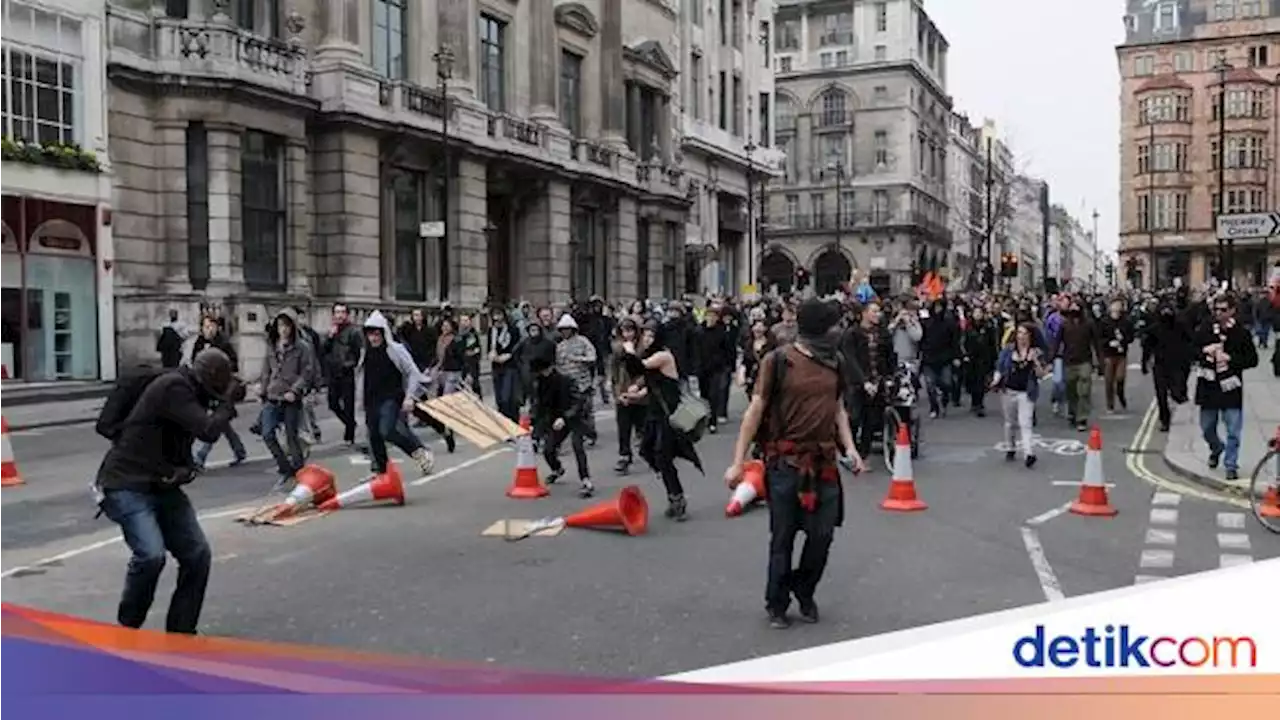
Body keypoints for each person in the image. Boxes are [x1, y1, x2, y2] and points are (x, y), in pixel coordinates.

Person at [725, 299, 864, 629]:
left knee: (823, 535)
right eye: (833, 325)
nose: (838, 330)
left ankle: (804, 589)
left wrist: (851, 447)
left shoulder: (836, 361)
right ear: (818, 328)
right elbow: (755, 411)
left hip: (824, 461)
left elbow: (838, 407)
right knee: (783, 537)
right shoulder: (778, 361)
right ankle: (777, 603)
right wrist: (738, 462)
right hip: (786, 464)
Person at [94, 348, 244, 634]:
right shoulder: (174, 387)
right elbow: (207, 430)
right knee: (151, 555)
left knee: (197, 555)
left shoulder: (191, 392)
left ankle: (181, 632)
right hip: (127, 482)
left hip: (162, 484)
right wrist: (227, 403)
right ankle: (128, 627)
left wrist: (185, 469)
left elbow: (178, 441)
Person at [618, 321, 691, 520]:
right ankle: (669, 480)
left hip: (670, 413)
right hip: (655, 411)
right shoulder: (650, 356)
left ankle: (677, 497)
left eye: (652, 336)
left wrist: (629, 349)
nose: (648, 339)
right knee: (646, 450)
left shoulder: (663, 356)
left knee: (662, 454)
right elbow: (651, 385)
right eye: (646, 336)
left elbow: (638, 368)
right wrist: (633, 396)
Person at [358, 312, 436, 479]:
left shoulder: (395, 350)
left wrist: (409, 397)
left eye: (377, 334)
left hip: (391, 397)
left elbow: (413, 373)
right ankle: (381, 471)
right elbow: (362, 376)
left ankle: (418, 452)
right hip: (371, 399)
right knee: (374, 436)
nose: (374, 338)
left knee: (387, 430)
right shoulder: (365, 352)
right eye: (370, 334)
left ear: (384, 333)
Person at [1193, 294, 1258, 481]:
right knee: (1207, 428)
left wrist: (1232, 359)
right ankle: (1216, 448)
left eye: (1223, 310)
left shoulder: (1241, 333)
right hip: (1209, 386)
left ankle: (1231, 465)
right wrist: (1204, 352)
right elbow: (1192, 350)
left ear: (1232, 311)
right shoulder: (1205, 329)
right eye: (1216, 310)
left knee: (1233, 431)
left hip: (1231, 388)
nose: (1219, 313)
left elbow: (1252, 360)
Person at [258, 308, 316, 490]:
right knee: (267, 434)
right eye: (280, 325)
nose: (284, 329)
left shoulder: (302, 348)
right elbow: (266, 370)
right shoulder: (271, 346)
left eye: (287, 325)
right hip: (273, 396)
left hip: (291, 398)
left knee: (292, 437)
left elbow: (307, 372)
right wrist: (263, 389)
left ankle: (299, 472)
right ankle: (285, 469)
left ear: (293, 327)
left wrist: (295, 390)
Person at [529, 354, 594, 497]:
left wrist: (565, 417)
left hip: (573, 418)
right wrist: (534, 423)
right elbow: (538, 405)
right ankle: (557, 469)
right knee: (548, 449)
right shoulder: (539, 383)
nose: (542, 374)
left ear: (551, 368)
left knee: (578, 447)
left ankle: (586, 480)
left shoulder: (566, 380)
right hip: (555, 421)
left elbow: (578, 402)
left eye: (544, 371)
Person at [190, 315, 247, 470]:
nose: (208, 330)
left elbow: (233, 364)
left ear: (217, 327)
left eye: (211, 326)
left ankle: (200, 458)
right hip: (206, 387)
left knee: (216, 423)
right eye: (205, 326)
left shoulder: (223, 343)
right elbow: (194, 361)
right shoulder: (200, 342)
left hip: (222, 389)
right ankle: (239, 451)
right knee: (223, 425)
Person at [991, 324, 1047, 468]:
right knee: (1010, 422)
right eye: (1019, 333)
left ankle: (1029, 454)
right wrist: (996, 380)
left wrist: (1035, 362)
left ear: (1030, 336)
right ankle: (1010, 447)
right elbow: (1000, 367)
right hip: (1009, 390)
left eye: (1024, 333)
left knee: (1026, 423)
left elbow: (1041, 375)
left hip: (1026, 392)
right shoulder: (1009, 350)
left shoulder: (1036, 352)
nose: (1021, 336)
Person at [322, 303, 363, 447]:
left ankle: (349, 436)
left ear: (347, 314)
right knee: (333, 403)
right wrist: (330, 337)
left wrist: (349, 365)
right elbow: (324, 350)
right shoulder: (331, 331)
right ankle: (350, 423)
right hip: (333, 373)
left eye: (342, 312)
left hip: (346, 372)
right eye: (337, 312)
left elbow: (357, 353)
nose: (339, 315)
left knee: (348, 404)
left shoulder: (353, 331)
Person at [555, 314, 599, 445]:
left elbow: (592, 357)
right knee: (573, 411)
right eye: (563, 329)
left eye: (567, 329)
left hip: (583, 382)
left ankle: (590, 434)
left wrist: (578, 359)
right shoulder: (560, 346)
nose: (565, 332)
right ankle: (578, 433)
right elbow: (558, 364)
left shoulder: (583, 341)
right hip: (569, 384)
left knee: (586, 410)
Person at [611, 318, 646, 474]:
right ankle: (624, 455)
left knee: (643, 427)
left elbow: (645, 371)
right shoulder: (617, 349)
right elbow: (614, 374)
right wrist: (617, 394)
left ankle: (652, 451)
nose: (627, 334)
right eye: (624, 331)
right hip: (623, 391)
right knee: (623, 427)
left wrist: (637, 387)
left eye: (630, 330)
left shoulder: (643, 348)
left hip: (640, 395)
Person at [488, 307, 521, 422]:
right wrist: (492, 354)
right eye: (494, 315)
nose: (497, 318)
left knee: (507, 396)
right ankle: (503, 422)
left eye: (499, 314)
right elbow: (490, 347)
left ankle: (512, 420)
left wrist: (508, 355)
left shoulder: (513, 330)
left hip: (510, 366)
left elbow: (517, 347)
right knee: (499, 398)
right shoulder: (491, 331)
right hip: (496, 366)